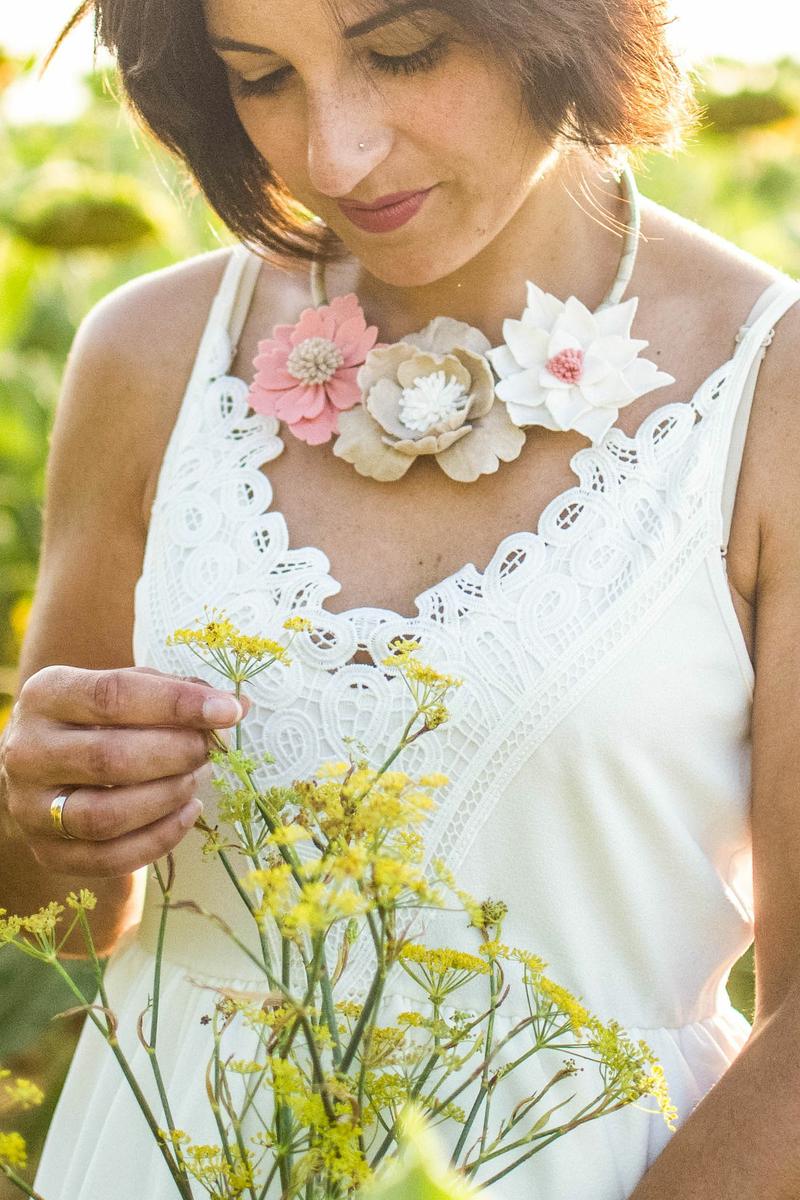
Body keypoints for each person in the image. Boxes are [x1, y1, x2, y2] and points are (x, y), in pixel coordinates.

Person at [1, 0, 800, 1196]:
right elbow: (60, 929)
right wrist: (38, 818)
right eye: (261, 78)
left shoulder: (772, 394)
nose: (334, 156)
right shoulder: (149, 354)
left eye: (401, 53)